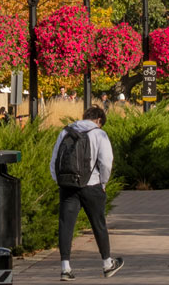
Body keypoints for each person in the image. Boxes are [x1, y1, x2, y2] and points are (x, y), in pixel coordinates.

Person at [51, 105, 125, 280]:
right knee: (98, 224)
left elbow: (55, 160)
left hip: (68, 186)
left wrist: (60, 181)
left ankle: (65, 268)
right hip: (92, 185)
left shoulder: (65, 132)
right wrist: (103, 182)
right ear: (99, 120)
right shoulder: (99, 134)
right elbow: (106, 162)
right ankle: (107, 263)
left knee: (65, 225)